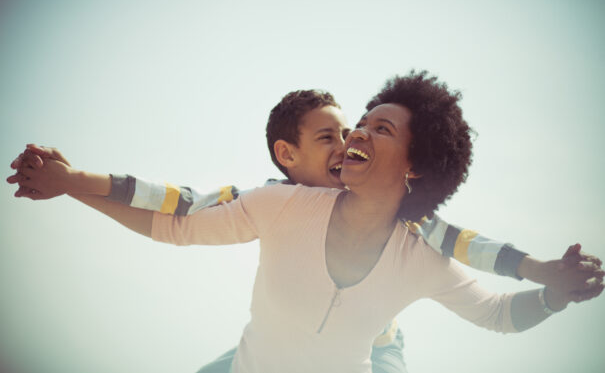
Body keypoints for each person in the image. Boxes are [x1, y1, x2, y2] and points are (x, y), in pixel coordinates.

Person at [8, 71, 604, 373]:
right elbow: (178, 219)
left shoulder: (423, 250)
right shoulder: (282, 202)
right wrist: (71, 186)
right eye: (357, 124)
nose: (357, 136)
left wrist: (551, 294)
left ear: (416, 169)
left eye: (379, 129)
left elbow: (499, 313)